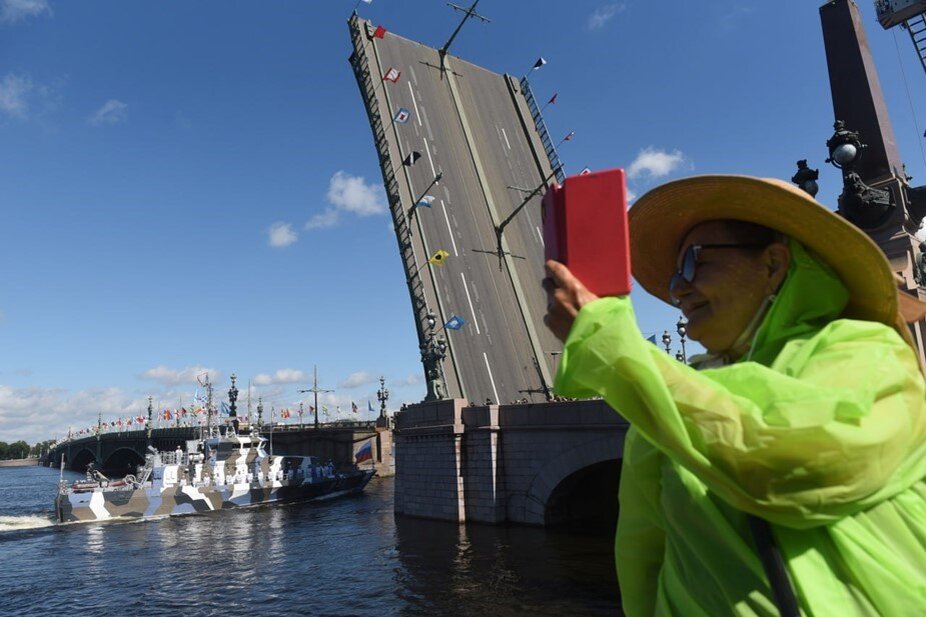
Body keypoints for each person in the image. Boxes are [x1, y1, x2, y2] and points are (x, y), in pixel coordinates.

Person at [543, 175, 926, 615]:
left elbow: (796, 466)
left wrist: (611, 349)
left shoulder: (870, 353)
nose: (679, 289)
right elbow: (643, 561)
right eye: (673, 277)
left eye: (693, 263)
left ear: (773, 264)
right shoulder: (667, 399)